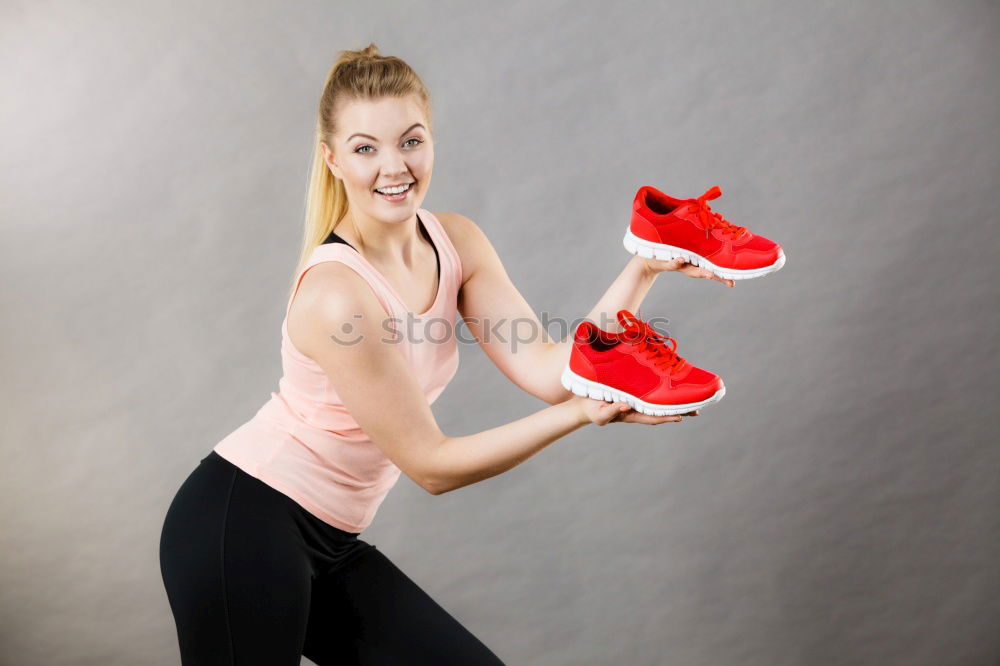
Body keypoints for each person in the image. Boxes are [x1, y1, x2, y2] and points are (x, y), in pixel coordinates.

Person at [158, 42, 731, 666]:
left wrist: (643, 267)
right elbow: (432, 465)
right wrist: (586, 413)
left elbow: (550, 367)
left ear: (432, 140)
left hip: (330, 539)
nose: (394, 166)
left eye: (410, 141)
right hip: (240, 525)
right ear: (332, 160)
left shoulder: (454, 242)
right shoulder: (336, 296)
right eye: (364, 148)